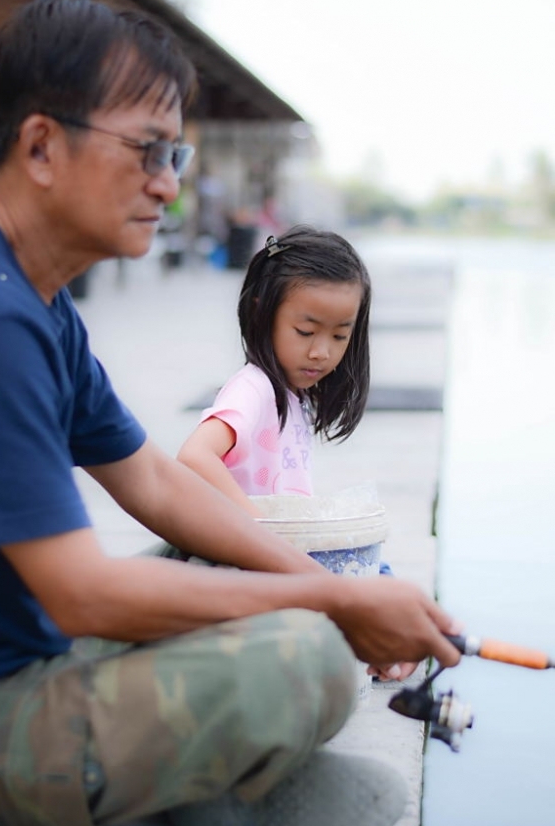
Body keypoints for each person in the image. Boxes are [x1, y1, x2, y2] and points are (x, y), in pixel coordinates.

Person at [0, 0, 460, 826]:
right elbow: (82, 592)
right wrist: (336, 601)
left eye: (176, 152)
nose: (169, 181)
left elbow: (156, 482)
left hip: (7, 656)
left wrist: (325, 584)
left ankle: (199, 777)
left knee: (221, 559)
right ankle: (199, 782)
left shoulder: (30, 299)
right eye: (148, 151)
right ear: (42, 145)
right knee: (301, 662)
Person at [177, 226, 415, 682]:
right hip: (248, 559)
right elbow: (195, 456)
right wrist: (259, 532)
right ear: (261, 313)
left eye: (340, 336)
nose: (321, 352)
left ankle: (383, 647)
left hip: (280, 554)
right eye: (305, 331)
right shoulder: (255, 387)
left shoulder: (291, 393)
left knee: (380, 578)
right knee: (362, 593)